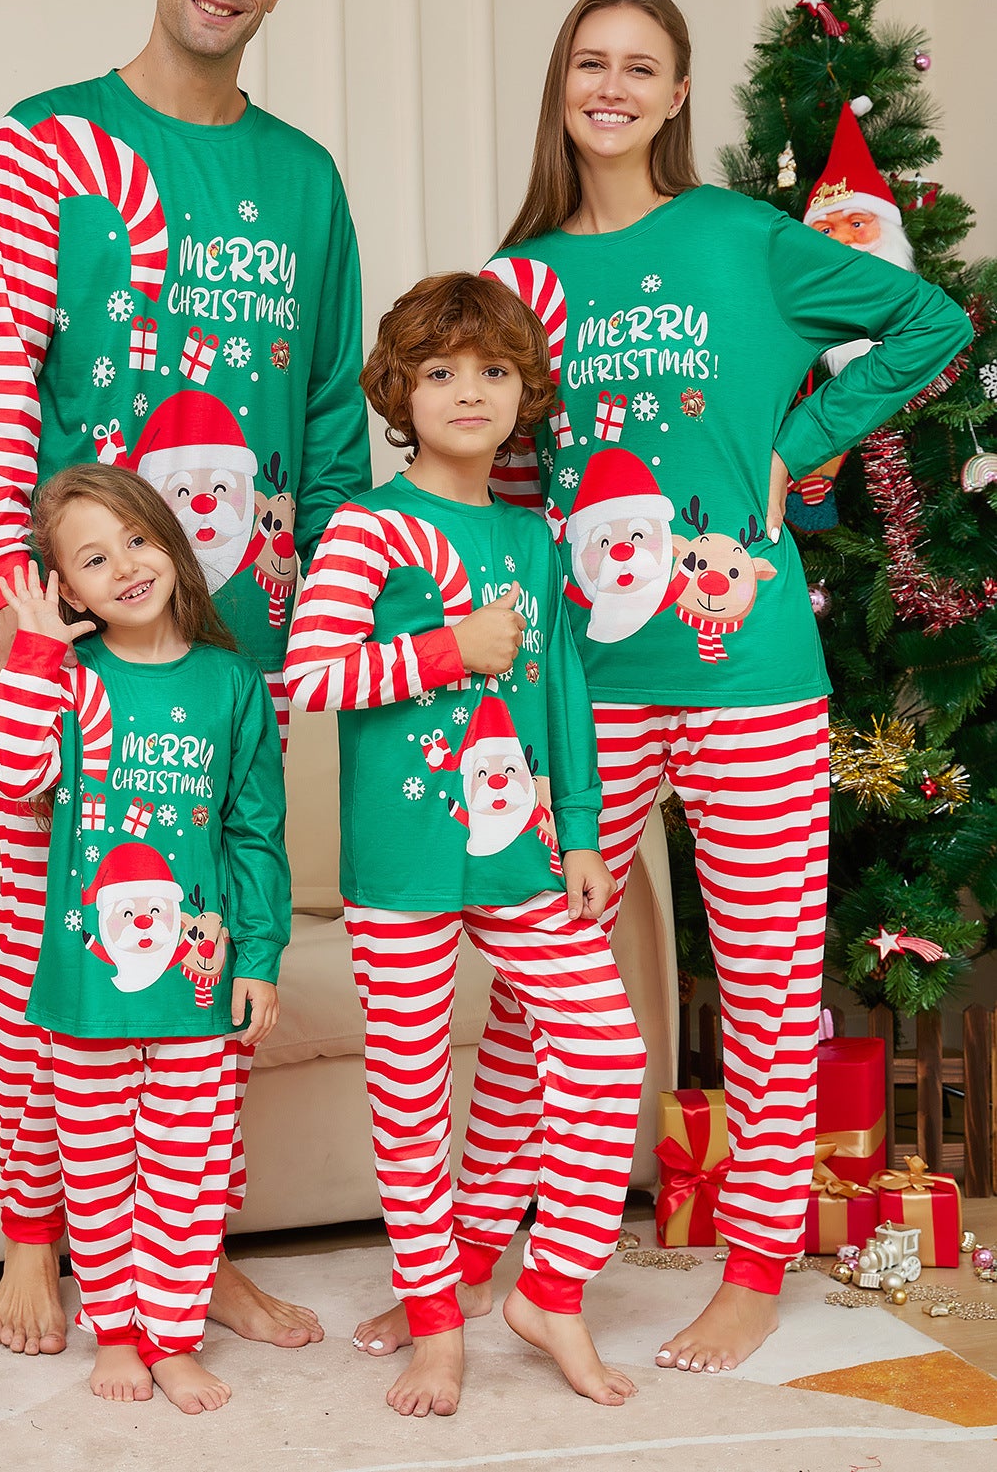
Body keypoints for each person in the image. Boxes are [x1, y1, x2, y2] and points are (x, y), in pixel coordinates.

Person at [351, 0, 972, 1377]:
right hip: (578, 678)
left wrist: (810, 436)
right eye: (591, 63)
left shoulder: (746, 239)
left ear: (679, 95)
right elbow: (499, 480)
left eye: (642, 67)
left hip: (748, 669)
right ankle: (457, 1275)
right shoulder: (518, 281)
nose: (613, 87)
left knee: (763, 979)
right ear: (563, 85)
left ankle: (754, 1270)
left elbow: (929, 325)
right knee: (530, 986)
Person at [0, 0, 368, 1356]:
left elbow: (327, 421)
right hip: (74, 621)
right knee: (48, 940)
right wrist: (14, 610)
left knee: (213, 951)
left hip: (237, 634)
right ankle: (34, 1242)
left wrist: (326, 614)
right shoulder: (46, 144)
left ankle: (191, 1262)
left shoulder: (305, 178)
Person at [284, 271, 647, 1417]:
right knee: (408, 1097)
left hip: (522, 853)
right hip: (400, 866)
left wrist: (582, 835)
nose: (468, 391)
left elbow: (564, 700)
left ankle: (549, 1287)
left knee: (603, 1056)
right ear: (399, 389)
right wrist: (446, 650)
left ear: (524, 392)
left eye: (492, 370)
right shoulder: (365, 527)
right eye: (439, 372)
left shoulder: (533, 537)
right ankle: (434, 1325)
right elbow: (310, 675)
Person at [0, 464, 292, 1413]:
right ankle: (116, 1332)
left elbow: (253, 831)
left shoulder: (234, 682)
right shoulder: (69, 681)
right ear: (67, 589)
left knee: (186, 1175)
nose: (124, 565)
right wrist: (34, 654)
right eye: (93, 557)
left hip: (197, 983)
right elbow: (14, 774)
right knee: (101, 1168)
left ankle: (173, 1335)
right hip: (85, 985)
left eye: (139, 538)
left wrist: (262, 956)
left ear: (173, 542)